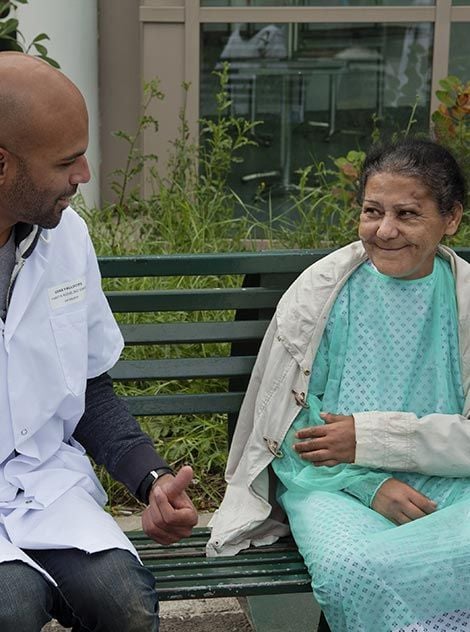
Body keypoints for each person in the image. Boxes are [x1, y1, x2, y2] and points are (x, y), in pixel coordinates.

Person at [208, 137, 470, 631]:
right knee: (355, 568)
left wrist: (370, 437)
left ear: (450, 218)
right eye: (373, 211)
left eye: (407, 214)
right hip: (333, 484)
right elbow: (287, 428)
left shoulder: (464, 299)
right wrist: (371, 484)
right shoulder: (322, 293)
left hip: (453, 484)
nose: (385, 230)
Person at [0, 52, 198, 631]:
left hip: (42, 485)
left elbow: (86, 387)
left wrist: (151, 479)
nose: (85, 175)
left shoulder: (66, 238)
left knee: (125, 604)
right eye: (67, 161)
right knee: (12, 604)